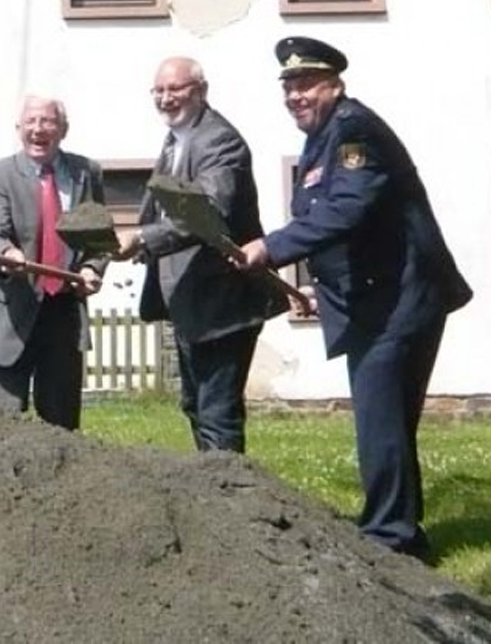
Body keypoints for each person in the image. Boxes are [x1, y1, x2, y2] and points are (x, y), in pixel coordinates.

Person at [237, 36, 473, 559]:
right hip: (379, 297)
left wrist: (269, 247)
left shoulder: (353, 131)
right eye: (289, 87)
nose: (295, 96)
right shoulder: (323, 137)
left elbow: (345, 211)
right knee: (387, 420)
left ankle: (390, 538)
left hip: (401, 301)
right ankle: (401, 528)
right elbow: (340, 226)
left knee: (380, 419)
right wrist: (317, 290)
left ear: (335, 85)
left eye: (306, 85)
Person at [115, 56, 288, 453]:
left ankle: (234, 502)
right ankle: (215, 498)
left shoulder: (217, 141)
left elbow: (207, 213)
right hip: (193, 301)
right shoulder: (179, 137)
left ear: (201, 90)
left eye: (175, 89)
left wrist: (142, 238)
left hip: (223, 304)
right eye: (158, 90)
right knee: (196, 406)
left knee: (217, 412)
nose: (165, 98)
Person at [0, 94, 107, 430]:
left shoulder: (86, 173)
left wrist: (93, 267)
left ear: (63, 129)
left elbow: (99, 236)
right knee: (0, 427)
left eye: (47, 121)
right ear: (19, 129)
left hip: (63, 312)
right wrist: (7, 254)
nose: (38, 129)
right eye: (30, 122)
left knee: (62, 426)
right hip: (10, 313)